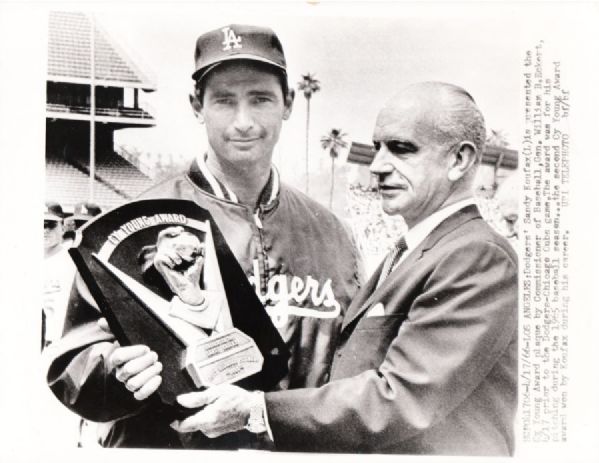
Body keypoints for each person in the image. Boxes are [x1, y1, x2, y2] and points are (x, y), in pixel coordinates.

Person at [45, 24, 362, 449]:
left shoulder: (332, 234)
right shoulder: (129, 229)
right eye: (225, 101)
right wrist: (115, 372)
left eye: (261, 99)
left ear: (287, 103)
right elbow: (72, 367)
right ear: (197, 105)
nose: (244, 122)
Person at [169, 82, 518, 456]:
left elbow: (401, 397)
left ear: (459, 160)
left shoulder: (476, 255)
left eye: (402, 149)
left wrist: (257, 411)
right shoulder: (415, 249)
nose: (379, 166)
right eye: (379, 147)